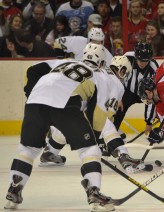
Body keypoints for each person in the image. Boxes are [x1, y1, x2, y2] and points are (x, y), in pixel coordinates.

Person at [4, 43, 119, 211]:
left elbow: (33, 70)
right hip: (65, 104)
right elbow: (98, 112)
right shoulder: (100, 75)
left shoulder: (64, 62)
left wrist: (32, 94)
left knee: (28, 149)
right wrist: (93, 138)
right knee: (90, 151)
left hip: (35, 102)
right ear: (102, 63)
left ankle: (13, 191)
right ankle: (94, 194)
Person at [113, 41, 158, 135]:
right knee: (119, 108)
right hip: (128, 91)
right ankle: (113, 131)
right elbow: (116, 79)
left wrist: (149, 122)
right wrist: (118, 97)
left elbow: (152, 96)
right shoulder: (127, 59)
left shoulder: (154, 68)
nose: (143, 63)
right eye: (140, 60)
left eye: (146, 61)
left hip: (146, 92)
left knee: (156, 100)